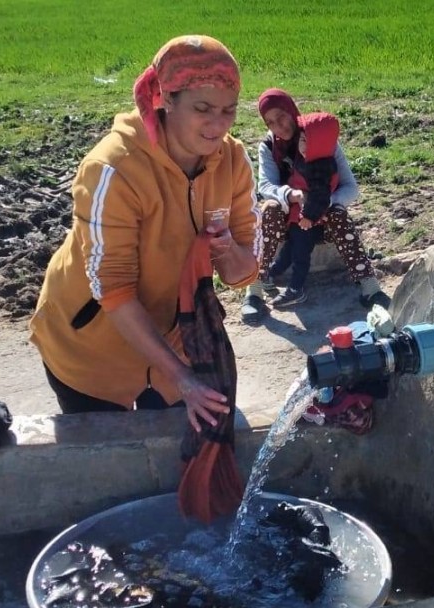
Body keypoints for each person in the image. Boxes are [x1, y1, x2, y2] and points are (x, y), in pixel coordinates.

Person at [29, 35, 259, 437]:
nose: (218, 124)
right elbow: (114, 289)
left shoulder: (232, 160)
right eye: (202, 109)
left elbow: (244, 274)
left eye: (228, 110)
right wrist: (184, 378)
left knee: (176, 455)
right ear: (166, 100)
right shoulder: (113, 168)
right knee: (108, 458)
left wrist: (226, 251)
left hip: (173, 340)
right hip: (90, 346)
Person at [240, 88, 390, 323]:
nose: (278, 126)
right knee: (268, 209)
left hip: (322, 216)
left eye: (281, 116)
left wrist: (324, 203)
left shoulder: (319, 138)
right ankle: (254, 290)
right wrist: (290, 195)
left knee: (338, 213)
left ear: (292, 111)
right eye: (270, 122)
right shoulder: (269, 147)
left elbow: (350, 187)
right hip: (288, 216)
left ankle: (370, 287)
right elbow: (266, 186)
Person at [263, 111, 342, 307]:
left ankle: (295, 289)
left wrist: (308, 216)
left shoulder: (320, 168)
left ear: (321, 144)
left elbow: (320, 195)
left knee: (300, 255)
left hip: (308, 221)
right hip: (298, 219)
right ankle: (271, 272)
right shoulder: (308, 160)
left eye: (308, 141)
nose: (302, 145)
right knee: (290, 250)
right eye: (302, 139)